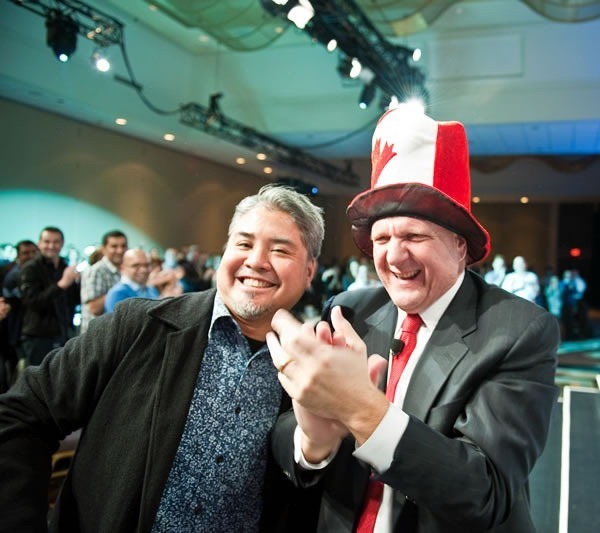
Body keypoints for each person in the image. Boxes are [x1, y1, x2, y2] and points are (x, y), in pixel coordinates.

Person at [266, 106, 559, 532]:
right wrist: (313, 440)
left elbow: (485, 495)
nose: (394, 255)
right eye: (382, 238)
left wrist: (363, 411)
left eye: (414, 236)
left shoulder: (518, 331)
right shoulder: (350, 310)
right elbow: (286, 439)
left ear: (460, 246)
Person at [0, 184, 324, 532]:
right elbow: (22, 412)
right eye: (243, 243)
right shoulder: (140, 326)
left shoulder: (313, 368)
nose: (256, 261)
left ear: (309, 271)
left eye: (279, 250)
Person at [18, 227, 80, 366]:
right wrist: (61, 285)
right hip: (38, 337)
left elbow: (73, 300)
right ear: (39, 243)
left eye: (56, 242)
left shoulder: (65, 266)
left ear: (62, 243)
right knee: (37, 383)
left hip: (63, 334)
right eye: (47, 242)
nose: (51, 246)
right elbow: (32, 302)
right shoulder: (30, 268)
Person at [79, 230, 128, 333]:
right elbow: (94, 308)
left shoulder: (124, 271)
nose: (120, 250)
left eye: (123, 246)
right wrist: (124, 287)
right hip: (96, 337)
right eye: (114, 246)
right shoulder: (95, 271)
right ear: (103, 249)